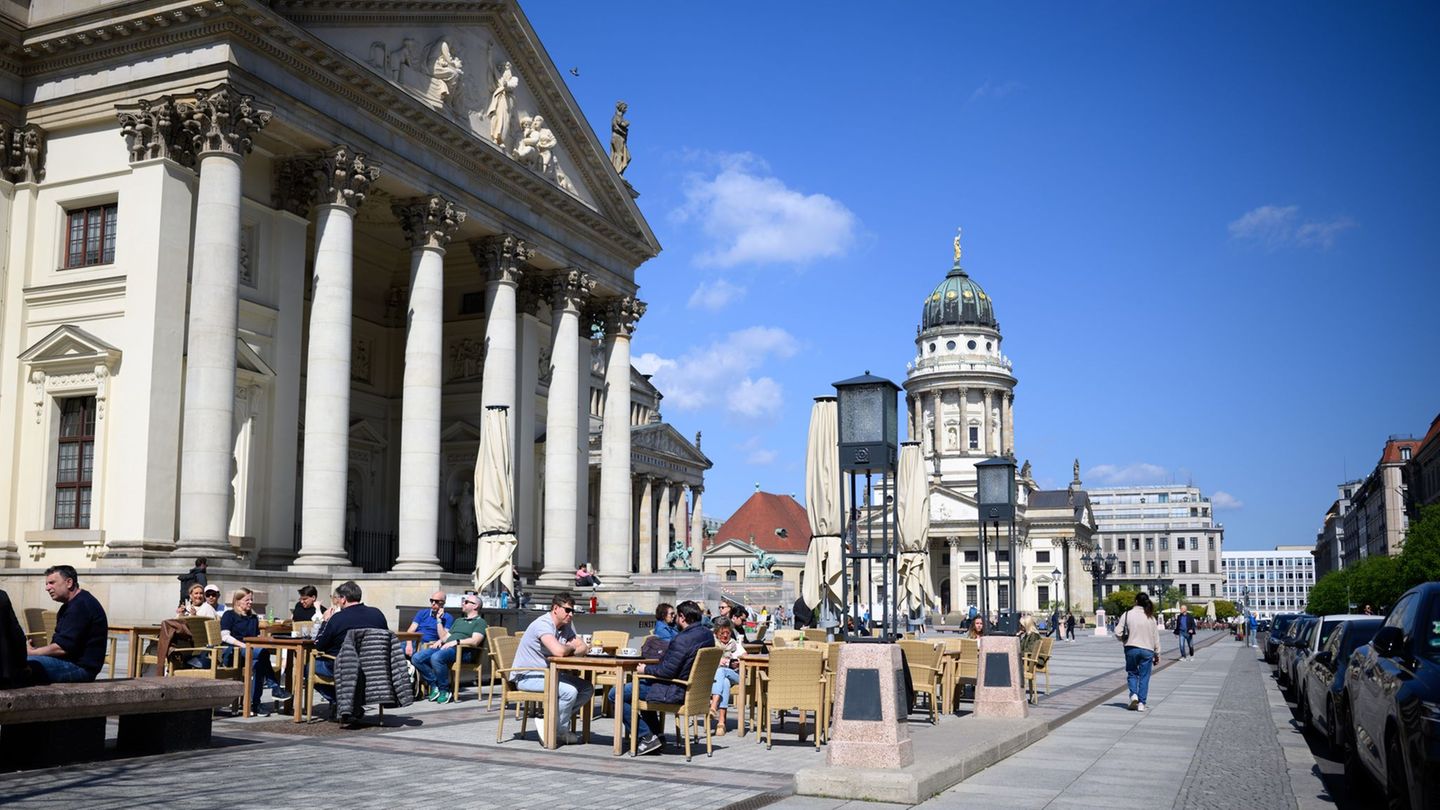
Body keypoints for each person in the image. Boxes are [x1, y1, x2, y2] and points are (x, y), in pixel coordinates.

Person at [611, 600, 713, 756]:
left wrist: (645, 668)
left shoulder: (682, 640)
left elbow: (667, 671)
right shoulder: (707, 635)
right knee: (641, 687)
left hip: (674, 691)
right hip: (693, 691)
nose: (676, 620)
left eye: (677, 616)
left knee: (616, 694)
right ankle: (657, 736)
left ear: (683, 617)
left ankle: (645, 737)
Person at [510, 592, 592, 747]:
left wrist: (568, 648)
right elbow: (559, 652)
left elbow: (583, 647)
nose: (571, 614)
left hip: (550, 674)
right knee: (569, 692)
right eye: (568, 610)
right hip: (528, 676)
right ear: (556, 608)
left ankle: (550, 723)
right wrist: (569, 647)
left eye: (573, 611)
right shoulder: (543, 624)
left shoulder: (565, 627)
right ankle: (559, 731)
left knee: (586, 688)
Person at [25, 566, 109, 684]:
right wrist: (35, 651)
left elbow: (62, 648)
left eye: (52, 583)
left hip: (80, 669)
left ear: (69, 582)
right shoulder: (71, 605)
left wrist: (33, 653)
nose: (47, 588)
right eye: (47, 584)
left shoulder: (81, 605)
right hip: (69, 664)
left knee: (21, 664)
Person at [312, 581, 389, 709]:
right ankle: (352, 703)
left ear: (343, 599)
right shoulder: (377, 614)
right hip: (375, 669)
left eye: (338, 598)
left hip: (343, 667)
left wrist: (325, 622)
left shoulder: (337, 618)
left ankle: (341, 702)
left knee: (306, 667)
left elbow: (319, 646)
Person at [219, 588, 290, 713]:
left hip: (252, 653)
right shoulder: (229, 615)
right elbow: (224, 636)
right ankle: (274, 688)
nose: (250, 602)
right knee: (262, 654)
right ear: (237, 601)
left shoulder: (253, 618)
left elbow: (256, 637)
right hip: (233, 652)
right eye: (247, 600)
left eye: (251, 599)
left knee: (258, 662)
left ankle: (255, 704)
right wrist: (243, 645)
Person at [413, 593, 487, 704]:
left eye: (466, 602)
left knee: (436, 657)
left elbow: (475, 641)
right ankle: (434, 685)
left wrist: (456, 642)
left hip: (463, 652)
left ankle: (444, 690)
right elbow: (444, 637)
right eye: (463, 601)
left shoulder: (480, 622)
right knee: (417, 657)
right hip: (447, 648)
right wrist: (438, 621)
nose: (463, 603)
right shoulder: (459, 621)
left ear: (475, 606)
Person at [1116, 592, 1161, 712]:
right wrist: (1157, 653)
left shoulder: (1127, 614)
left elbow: (1118, 632)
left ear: (1136, 601)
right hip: (1147, 650)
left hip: (1131, 648)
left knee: (1132, 673)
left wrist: (1123, 639)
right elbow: (1155, 637)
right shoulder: (1150, 617)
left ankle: (1134, 695)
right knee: (1144, 676)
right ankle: (1142, 703)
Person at [707, 616, 741, 736]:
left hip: (735, 675)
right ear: (716, 632)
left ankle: (713, 706)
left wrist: (736, 662)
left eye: (728, 632)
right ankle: (721, 724)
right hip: (718, 679)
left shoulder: (734, 643)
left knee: (722, 672)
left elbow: (744, 656)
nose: (726, 635)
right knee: (724, 682)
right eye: (722, 633)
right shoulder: (711, 643)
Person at [405, 590, 454, 657]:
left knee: (420, 654)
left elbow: (443, 637)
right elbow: (410, 631)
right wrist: (409, 644)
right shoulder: (422, 613)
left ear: (443, 603)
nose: (433, 603)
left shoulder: (447, 617)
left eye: (436, 601)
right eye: (431, 600)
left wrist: (438, 620)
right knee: (393, 649)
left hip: (430, 644)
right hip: (415, 642)